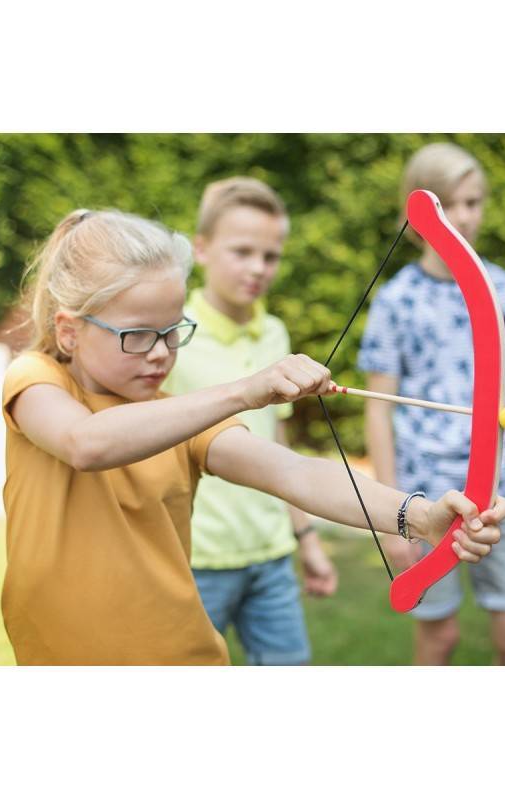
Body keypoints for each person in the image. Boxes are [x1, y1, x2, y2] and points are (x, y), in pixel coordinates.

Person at [1, 206, 505, 666]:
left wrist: (420, 516)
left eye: (173, 331)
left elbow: (292, 471)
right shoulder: (35, 381)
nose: (160, 353)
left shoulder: (177, 416)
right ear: (69, 330)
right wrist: (245, 390)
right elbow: (85, 444)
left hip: (180, 659)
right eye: (138, 335)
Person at [358, 142, 505, 666]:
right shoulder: (397, 298)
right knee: (437, 641)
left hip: (497, 494)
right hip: (423, 494)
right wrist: (392, 515)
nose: (464, 215)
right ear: (417, 212)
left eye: (473, 201)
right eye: (448, 204)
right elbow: (378, 408)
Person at [163, 177, 336, 665]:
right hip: (194, 560)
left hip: (271, 556)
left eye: (271, 255)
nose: (259, 268)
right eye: (242, 251)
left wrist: (307, 541)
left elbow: (278, 444)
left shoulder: (275, 334)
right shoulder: (170, 334)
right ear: (201, 249)